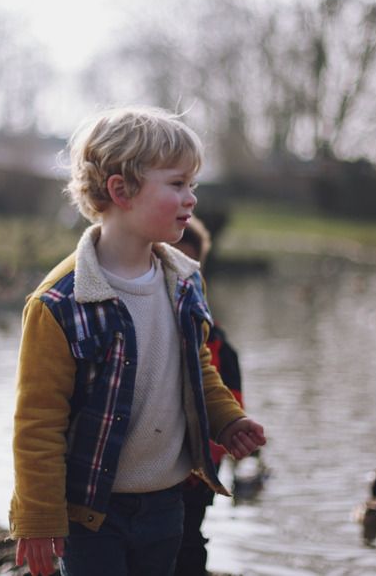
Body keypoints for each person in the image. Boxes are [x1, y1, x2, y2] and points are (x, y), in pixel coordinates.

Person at [10, 106, 267, 576]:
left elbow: (197, 367)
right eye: (177, 184)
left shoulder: (185, 281)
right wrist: (38, 517)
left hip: (168, 501)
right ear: (120, 189)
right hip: (90, 514)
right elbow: (38, 423)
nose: (191, 199)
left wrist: (226, 419)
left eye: (193, 185)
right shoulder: (59, 304)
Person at [172, 216, 245, 576]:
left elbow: (230, 407)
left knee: (188, 543)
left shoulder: (219, 346)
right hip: (148, 468)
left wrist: (201, 461)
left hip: (195, 474)